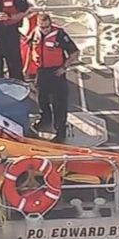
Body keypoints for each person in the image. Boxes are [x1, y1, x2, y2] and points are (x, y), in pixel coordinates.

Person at [25, 12, 80, 143]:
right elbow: (30, 49)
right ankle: (45, 119)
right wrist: (27, 67)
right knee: (42, 98)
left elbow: (74, 52)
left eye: (47, 27)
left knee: (59, 103)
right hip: (42, 71)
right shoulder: (36, 33)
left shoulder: (60, 35)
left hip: (56, 72)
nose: (44, 30)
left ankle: (60, 131)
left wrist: (63, 68)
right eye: (42, 27)